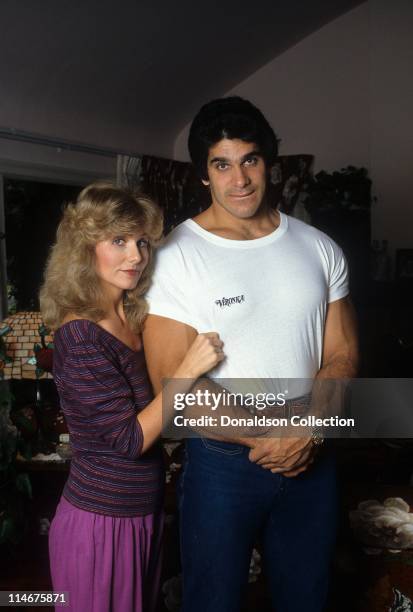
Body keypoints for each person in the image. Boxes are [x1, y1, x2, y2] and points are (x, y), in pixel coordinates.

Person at [142, 97, 359, 612]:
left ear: (270, 164)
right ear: (203, 175)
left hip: (314, 453)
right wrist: (275, 436)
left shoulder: (319, 247)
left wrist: (310, 429)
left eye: (250, 160)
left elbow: (344, 354)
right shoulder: (175, 257)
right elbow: (174, 387)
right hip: (223, 464)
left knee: (307, 600)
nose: (239, 179)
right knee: (213, 602)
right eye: (222, 164)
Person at [39, 182, 224, 612]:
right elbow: (129, 440)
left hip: (140, 513)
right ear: (85, 249)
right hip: (100, 523)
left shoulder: (132, 315)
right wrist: (187, 370)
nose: (136, 255)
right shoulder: (81, 334)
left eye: (141, 241)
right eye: (118, 240)